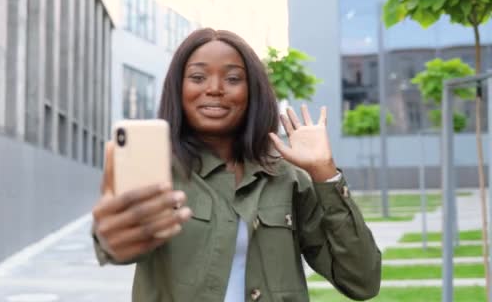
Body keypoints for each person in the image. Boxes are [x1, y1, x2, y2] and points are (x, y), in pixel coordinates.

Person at [92, 28, 381, 302]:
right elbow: (117, 245)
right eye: (197, 77)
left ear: (251, 91)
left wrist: (325, 174)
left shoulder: (286, 177)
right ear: (178, 89)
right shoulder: (158, 173)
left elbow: (362, 280)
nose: (215, 89)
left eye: (233, 79)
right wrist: (109, 236)